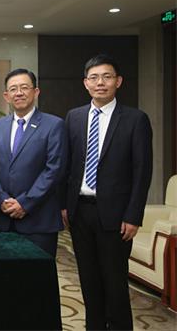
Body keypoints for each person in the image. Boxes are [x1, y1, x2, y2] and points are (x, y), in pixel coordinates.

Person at [62, 54, 152, 330]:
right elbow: (67, 165)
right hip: (80, 212)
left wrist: (133, 215)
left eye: (106, 76)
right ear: (85, 83)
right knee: (89, 283)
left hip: (116, 217)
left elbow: (142, 171)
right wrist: (65, 205)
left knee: (115, 285)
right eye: (94, 77)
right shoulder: (74, 117)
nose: (100, 82)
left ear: (118, 81)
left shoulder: (135, 119)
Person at [0, 69, 66, 257]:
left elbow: (54, 169)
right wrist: (1, 200)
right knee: (3, 272)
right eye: (13, 89)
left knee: (37, 273)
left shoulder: (54, 125)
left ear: (36, 92)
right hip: (3, 218)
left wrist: (25, 203)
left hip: (39, 219)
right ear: (6, 96)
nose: (19, 93)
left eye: (24, 87)